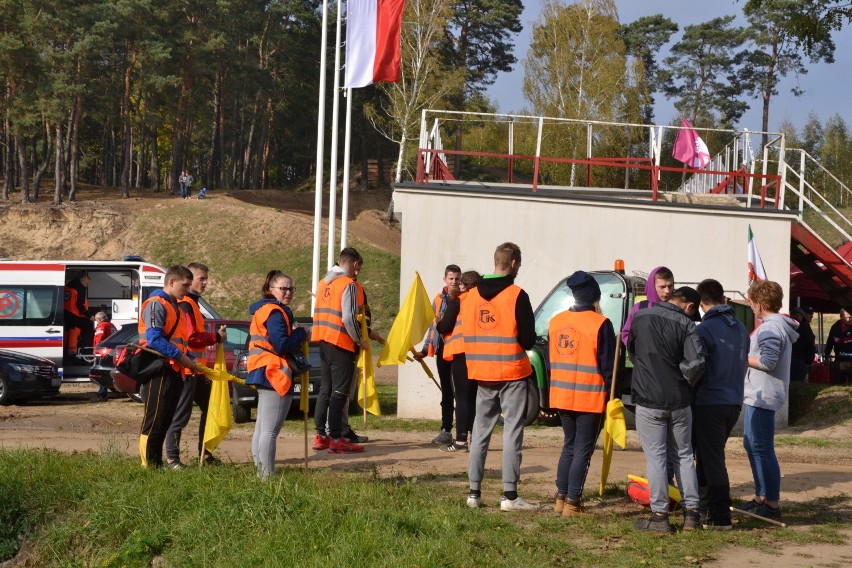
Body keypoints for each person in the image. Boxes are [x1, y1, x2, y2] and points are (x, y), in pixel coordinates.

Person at [462, 242, 537, 511]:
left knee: (480, 432)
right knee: (511, 433)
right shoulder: (517, 295)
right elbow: (528, 340)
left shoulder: (470, 297)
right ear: (514, 263)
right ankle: (509, 496)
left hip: (482, 374)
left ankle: (473, 493)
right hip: (512, 374)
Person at [628, 286, 705, 533]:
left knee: (657, 458)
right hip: (680, 400)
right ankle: (692, 515)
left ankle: (660, 517)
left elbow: (632, 351)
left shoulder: (639, 317)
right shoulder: (687, 324)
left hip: (648, 399)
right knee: (683, 455)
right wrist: (682, 377)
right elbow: (696, 363)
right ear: (689, 306)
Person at [549, 271, 615, 517]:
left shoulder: (556, 321)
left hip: (562, 395)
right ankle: (573, 503)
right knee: (583, 450)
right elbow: (608, 367)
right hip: (590, 396)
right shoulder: (601, 323)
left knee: (569, 446)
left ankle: (561, 498)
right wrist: (612, 395)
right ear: (595, 296)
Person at [692, 279, 749, 530]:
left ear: (702, 303)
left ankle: (720, 516)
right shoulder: (739, 326)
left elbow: (697, 366)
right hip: (734, 401)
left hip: (709, 401)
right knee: (706, 456)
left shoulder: (705, 329)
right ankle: (704, 509)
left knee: (712, 459)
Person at [138, 265, 204, 469]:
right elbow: (155, 340)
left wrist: (190, 360)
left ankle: (157, 464)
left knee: (165, 420)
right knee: (154, 420)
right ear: (171, 282)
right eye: (185, 285)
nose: (188, 288)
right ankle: (148, 465)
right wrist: (184, 359)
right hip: (157, 369)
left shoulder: (176, 306)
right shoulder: (157, 304)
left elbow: (180, 342)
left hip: (173, 369)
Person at [742, 280, 798, 519]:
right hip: (759, 393)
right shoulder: (773, 325)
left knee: (762, 448)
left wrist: (740, 357)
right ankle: (762, 497)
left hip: (763, 395)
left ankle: (771, 503)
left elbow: (768, 362)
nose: (751, 307)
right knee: (752, 445)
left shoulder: (770, 329)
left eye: (753, 303)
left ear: (760, 304)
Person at [247, 271, 308, 479]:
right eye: (283, 288)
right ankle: (267, 477)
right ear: (270, 290)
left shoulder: (264, 310)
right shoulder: (274, 312)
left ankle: (260, 472)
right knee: (269, 431)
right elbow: (281, 344)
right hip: (274, 372)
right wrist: (302, 333)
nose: (288, 292)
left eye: (291, 288)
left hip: (262, 370)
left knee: (262, 428)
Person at [165, 263, 226, 469]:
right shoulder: (186, 303)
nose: (205, 283)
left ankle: (204, 455)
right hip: (187, 368)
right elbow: (192, 336)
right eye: (201, 279)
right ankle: (173, 459)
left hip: (197, 369)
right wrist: (216, 337)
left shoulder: (193, 303)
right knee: (180, 415)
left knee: (210, 409)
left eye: (206, 278)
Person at [311, 247, 368, 454]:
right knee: (340, 392)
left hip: (323, 341)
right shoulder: (349, 285)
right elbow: (348, 318)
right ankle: (337, 438)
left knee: (325, 390)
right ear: (353, 264)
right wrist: (359, 340)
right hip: (341, 343)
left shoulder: (323, 282)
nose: (358, 273)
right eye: (358, 268)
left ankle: (321, 436)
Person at [415, 264, 462, 445]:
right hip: (443, 351)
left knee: (462, 393)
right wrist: (425, 350)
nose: (454, 282)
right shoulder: (438, 299)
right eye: (451, 278)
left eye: (457, 279)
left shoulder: (465, 299)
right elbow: (432, 328)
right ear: (445, 280)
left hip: (459, 351)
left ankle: (464, 432)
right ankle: (446, 430)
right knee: (447, 392)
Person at [435, 270, 481, 452]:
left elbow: (445, 326)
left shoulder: (459, 301)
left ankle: (461, 440)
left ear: (464, 285)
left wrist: (438, 322)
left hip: (461, 353)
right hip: (480, 354)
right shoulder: (485, 302)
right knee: (475, 397)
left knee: (462, 398)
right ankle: (475, 437)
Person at [620, 266, 674, 346]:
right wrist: (639, 350)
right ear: (652, 287)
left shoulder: (676, 309)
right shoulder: (639, 308)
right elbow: (626, 334)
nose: (667, 291)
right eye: (662, 287)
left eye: (670, 286)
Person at [90, 311, 118, 402]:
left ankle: (102, 394)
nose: (96, 322)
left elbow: (99, 340)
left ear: (99, 319)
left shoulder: (101, 326)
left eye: (96, 320)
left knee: (102, 372)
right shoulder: (112, 325)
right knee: (108, 371)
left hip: (104, 352)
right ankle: (104, 392)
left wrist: (96, 351)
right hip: (112, 351)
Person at [64, 273, 91, 364]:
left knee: (66, 335)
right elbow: (80, 305)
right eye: (87, 284)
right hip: (75, 316)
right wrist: (88, 315)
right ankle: (72, 356)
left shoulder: (68, 286)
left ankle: (65, 354)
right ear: (82, 281)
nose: (87, 286)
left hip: (66, 315)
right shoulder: (79, 289)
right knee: (74, 335)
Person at [824, 307, 852, 384]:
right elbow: (829, 343)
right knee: (838, 381)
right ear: (841, 317)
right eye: (848, 317)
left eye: (851, 317)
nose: (850, 318)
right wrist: (826, 356)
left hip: (850, 359)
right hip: (839, 359)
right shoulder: (835, 328)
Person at [789, 306, 816, 382]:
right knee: (798, 385)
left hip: (788, 360)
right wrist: (809, 361)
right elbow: (810, 344)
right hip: (801, 360)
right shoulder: (804, 327)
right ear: (801, 316)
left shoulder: (786, 326)